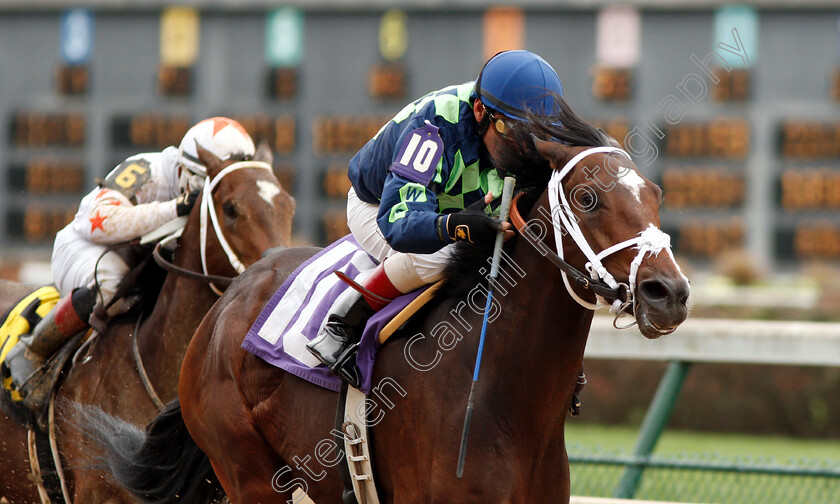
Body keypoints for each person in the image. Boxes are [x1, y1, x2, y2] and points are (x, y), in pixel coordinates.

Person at [306, 50, 564, 386]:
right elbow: (399, 221)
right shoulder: (434, 128)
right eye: (511, 133)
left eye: (535, 136)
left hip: (450, 200)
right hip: (379, 204)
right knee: (444, 257)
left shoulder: (519, 129)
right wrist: (455, 226)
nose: (523, 149)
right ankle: (345, 319)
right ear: (479, 111)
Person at [6, 117, 258, 397]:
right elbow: (97, 222)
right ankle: (31, 350)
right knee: (111, 285)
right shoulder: (146, 169)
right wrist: (175, 208)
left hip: (138, 260)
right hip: (87, 247)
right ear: (186, 169)